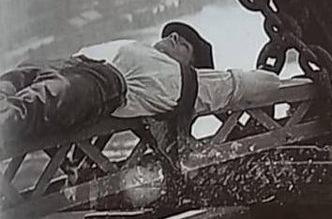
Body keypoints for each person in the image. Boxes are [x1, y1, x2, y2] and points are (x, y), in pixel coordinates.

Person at [0, 21, 291, 146]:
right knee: (15, 79)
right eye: (172, 34)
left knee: (33, 106)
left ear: (190, 65)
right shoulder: (140, 48)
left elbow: (236, 84)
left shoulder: (178, 81)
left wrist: (274, 82)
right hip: (68, 64)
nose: (173, 37)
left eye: (183, 44)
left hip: (102, 85)